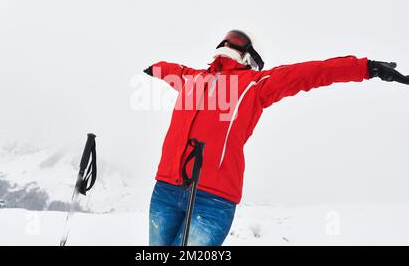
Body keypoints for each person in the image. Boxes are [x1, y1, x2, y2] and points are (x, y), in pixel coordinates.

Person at [143, 30, 409, 246]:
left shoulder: (256, 85)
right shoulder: (191, 78)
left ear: (251, 57)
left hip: (212, 200)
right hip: (165, 190)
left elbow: (311, 73)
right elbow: (169, 68)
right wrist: (153, 67)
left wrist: (366, 67)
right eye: (228, 36)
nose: (228, 41)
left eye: (237, 39)